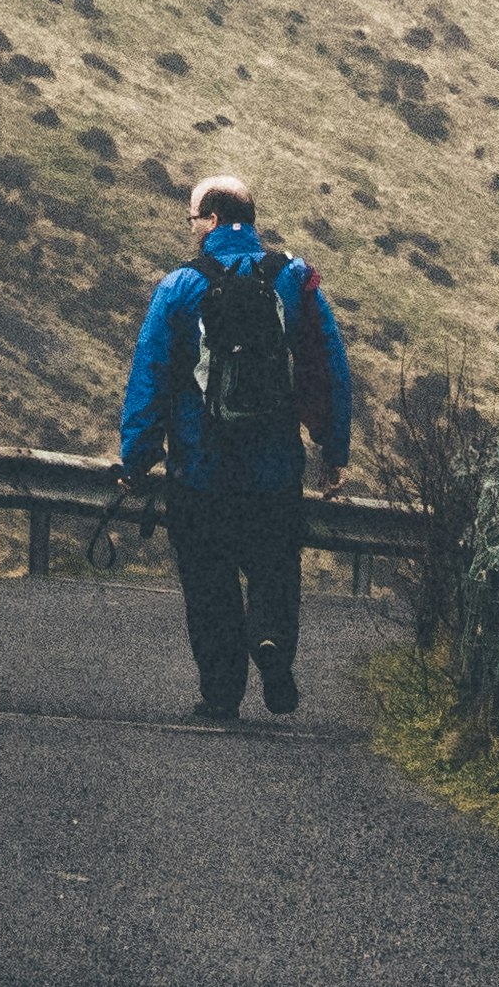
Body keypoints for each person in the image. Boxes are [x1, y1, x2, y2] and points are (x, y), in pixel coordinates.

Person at [116, 171, 357, 722]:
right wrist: (332, 448)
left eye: (194, 219)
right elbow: (328, 368)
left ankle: (221, 693)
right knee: (274, 568)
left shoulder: (180, 286)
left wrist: (137, 456)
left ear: (215, 221)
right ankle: (270, 639)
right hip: (273, 472)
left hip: (200, 472)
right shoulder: (295, 278)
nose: (191, 229)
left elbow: (149, 376)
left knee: (209, 583)